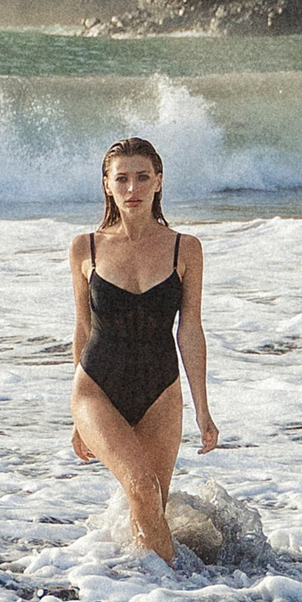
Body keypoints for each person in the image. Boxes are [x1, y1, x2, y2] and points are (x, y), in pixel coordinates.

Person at [69, 133, 216, 563]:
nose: (132, 189)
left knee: (151, 507)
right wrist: (79, 419)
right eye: (122, 179)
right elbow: (82, 327)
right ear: (106, 185)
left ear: (158, 182)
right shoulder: (86, 247)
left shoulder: (184, 248)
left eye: (142, 178)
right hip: (96, 389)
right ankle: (184, 591)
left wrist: (203, 409)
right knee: (141, 488)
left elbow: (190, 330)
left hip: (161, 391)